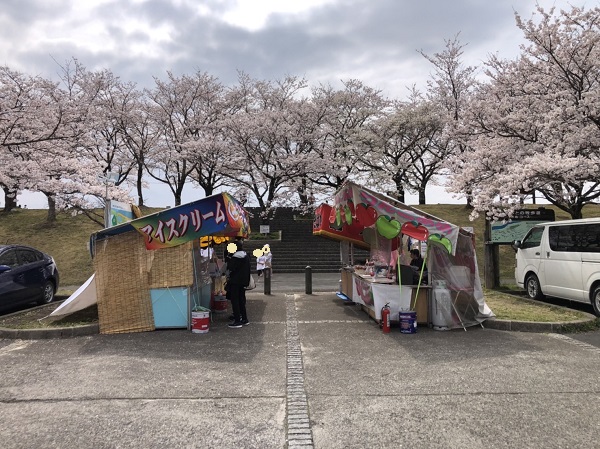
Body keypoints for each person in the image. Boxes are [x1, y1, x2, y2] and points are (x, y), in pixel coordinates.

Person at [225, 240, 251, 328]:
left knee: (235, 300)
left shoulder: (235, 257)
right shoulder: (246, 256)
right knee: (241, 300)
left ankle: (237, 320)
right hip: (244, 281)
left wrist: (229, 259)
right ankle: (244, 319)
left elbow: (230, 268)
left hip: (235, 281)